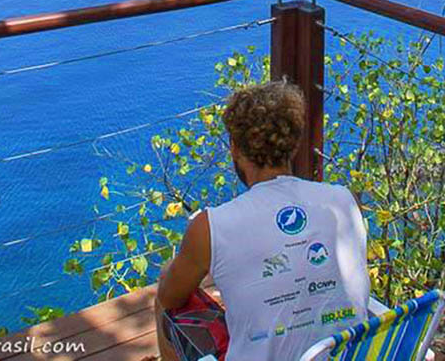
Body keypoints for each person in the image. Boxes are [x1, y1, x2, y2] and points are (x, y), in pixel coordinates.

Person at [155, 81, 369, 361]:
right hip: (341, 355)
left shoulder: (211, 226)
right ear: (293, 144)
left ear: (234, 147)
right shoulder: (343, 200)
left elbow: (171, 298)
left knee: (166, 291)